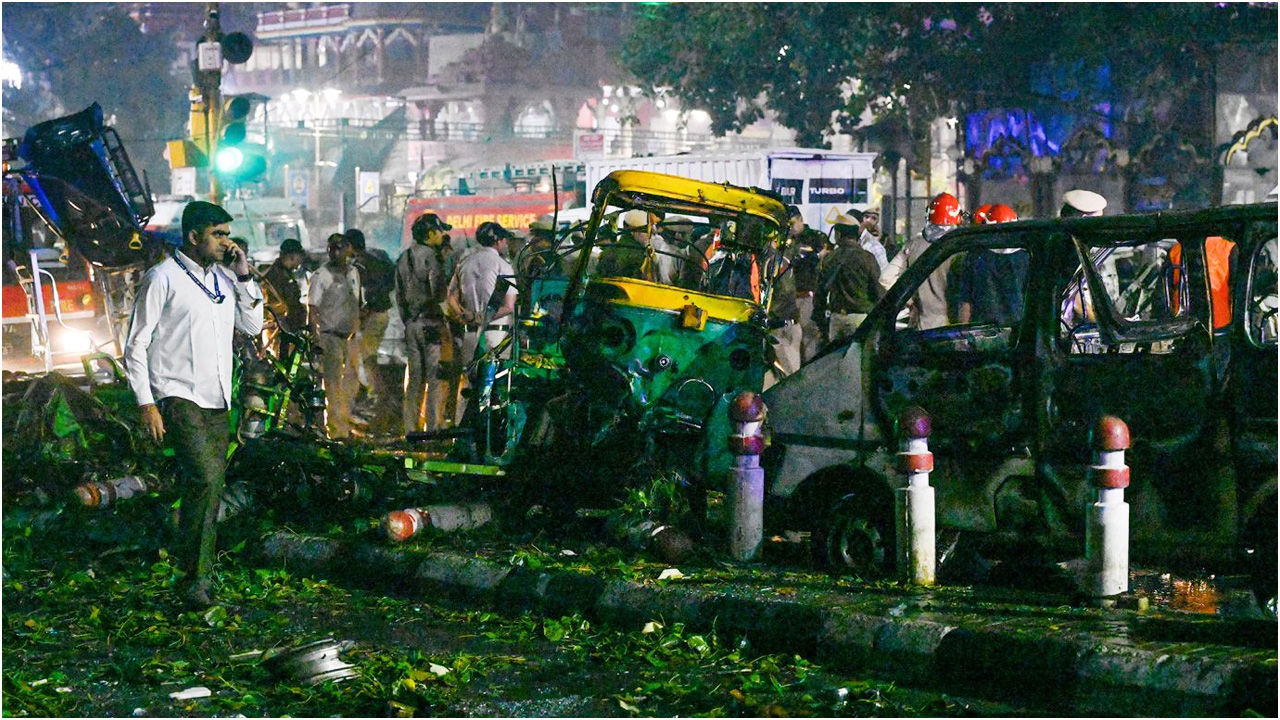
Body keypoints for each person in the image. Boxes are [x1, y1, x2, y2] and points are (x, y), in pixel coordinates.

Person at [123, 201, 264, 608]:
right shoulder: (162, 278)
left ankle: (193, 570)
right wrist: (146, 402)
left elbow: (252, 326)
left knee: (209, 485)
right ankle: (194, 579)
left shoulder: (223, 278)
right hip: (177, 394)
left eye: (227, 234)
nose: (227, 242)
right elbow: (136, 343)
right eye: (219, 234)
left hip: (218, 396)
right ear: (194, 236)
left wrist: (244, 277)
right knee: (204, 478)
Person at [449, 221, 518, 423]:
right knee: (496, 385)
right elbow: (508, 306)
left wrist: (464, 314)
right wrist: (482, 317)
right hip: (497, 335)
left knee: (468, 386)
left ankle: (460, 435)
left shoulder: (465, 262)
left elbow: (450, 295)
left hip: (470, 333)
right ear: (498, 241)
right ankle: (488, 433)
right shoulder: (503, 266)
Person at [397, 213, 452, 434]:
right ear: (430, 234)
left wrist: (408, 320)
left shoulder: (404, 257)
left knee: (415, 381)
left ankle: (410, 429)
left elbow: (399, 296)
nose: (442, 235)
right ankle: (432, 429)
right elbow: (439, 295)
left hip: (410, 324)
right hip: (431, 324)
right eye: (440, 231)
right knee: (436, 378)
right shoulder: (432, 257)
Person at [879, 192, 964, 329]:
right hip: (950, 327)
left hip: (919, 326)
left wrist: (911, 302)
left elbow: (886, 278)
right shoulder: (960, 249)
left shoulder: (913, 245)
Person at [309, 233, 363, 438]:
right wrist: (316, 338)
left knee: (350, 383)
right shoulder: (321, 275)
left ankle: (343, 424)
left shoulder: (354, 272)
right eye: (332, 249)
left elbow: (357, 302)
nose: (335, 253)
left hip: (349, 336)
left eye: (339, 248)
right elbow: (313, 309)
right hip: (330, 336)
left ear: (348, 248)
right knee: (332, 385)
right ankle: (336, 431)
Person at [346, 228, 396, 422]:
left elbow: (362, 293)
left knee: (366, 356)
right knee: (367, 356)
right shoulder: (378, 257)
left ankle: (376, 397)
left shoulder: (359, 266)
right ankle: (374, 395)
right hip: (381, 313)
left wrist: (363, 311)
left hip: (373, 315)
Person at [954, 204, 1030, 325]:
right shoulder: (1026, 258)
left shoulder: (974, 257)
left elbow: (965, 301)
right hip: (1018, 331)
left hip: (983, 332)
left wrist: (963, 334)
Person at [816, 216, 884, 346]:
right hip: (860, 318)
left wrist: (820, 322)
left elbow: (820, 293)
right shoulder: (867, 258)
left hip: (836, 318)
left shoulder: (830, 258)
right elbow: (876, 289)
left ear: (839, 234)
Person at [262, 238, 308, 335]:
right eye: (299, 258)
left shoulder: (282, 272)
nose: (299, 263)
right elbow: (286, 303)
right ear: (292, 256)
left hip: (284, 326)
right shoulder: (277, 275)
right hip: (280, 329)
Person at [848, 207, 888, 272]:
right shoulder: (843, 241)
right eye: (866, 217)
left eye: (874, 218)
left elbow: (884, 273)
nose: (869, 221)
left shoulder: (875, 246)